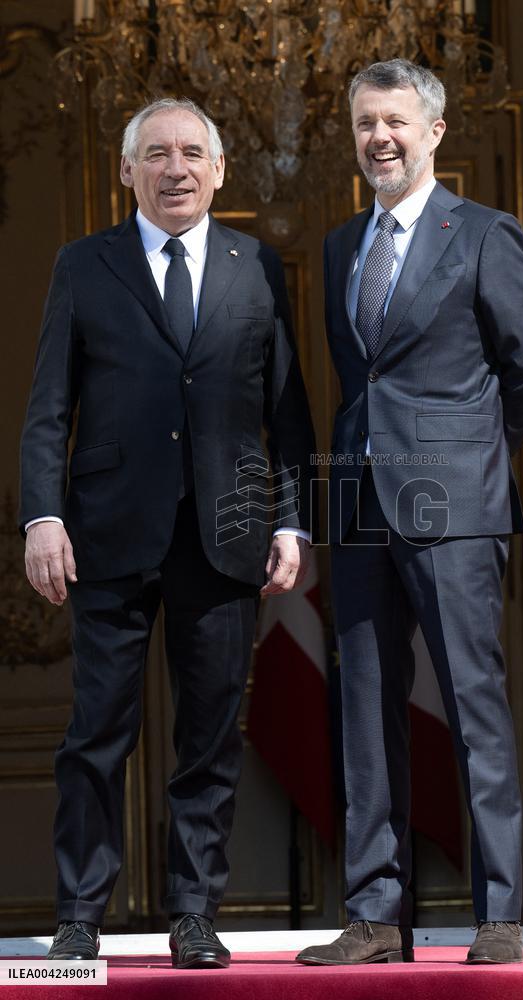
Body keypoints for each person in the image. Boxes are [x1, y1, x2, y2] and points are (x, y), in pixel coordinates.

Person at [19, 97, 316, 968]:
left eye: (191, 152)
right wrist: (43, 516)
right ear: (127, 172)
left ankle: (194, 914)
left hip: (225, 539)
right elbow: (47, 411)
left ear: (219, 170)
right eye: (156, 154)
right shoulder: (85, 266)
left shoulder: (256, 266)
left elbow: (287, 415)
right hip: (107, 539)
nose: (175, 167)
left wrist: (294, 521)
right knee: (96, 735)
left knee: (209, 738)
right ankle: (79, 914)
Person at [296, 59, 523, 967]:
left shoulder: (483, 233)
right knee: (364, 707)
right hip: (359, 505)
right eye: (367, 123)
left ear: (434, 132)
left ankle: (499, 913)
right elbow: (358, 374)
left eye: (397, 122)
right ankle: (376, 916)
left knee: (473, 704)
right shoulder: (339, 247)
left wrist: (474, 455)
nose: (381, 138)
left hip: (455, 502)